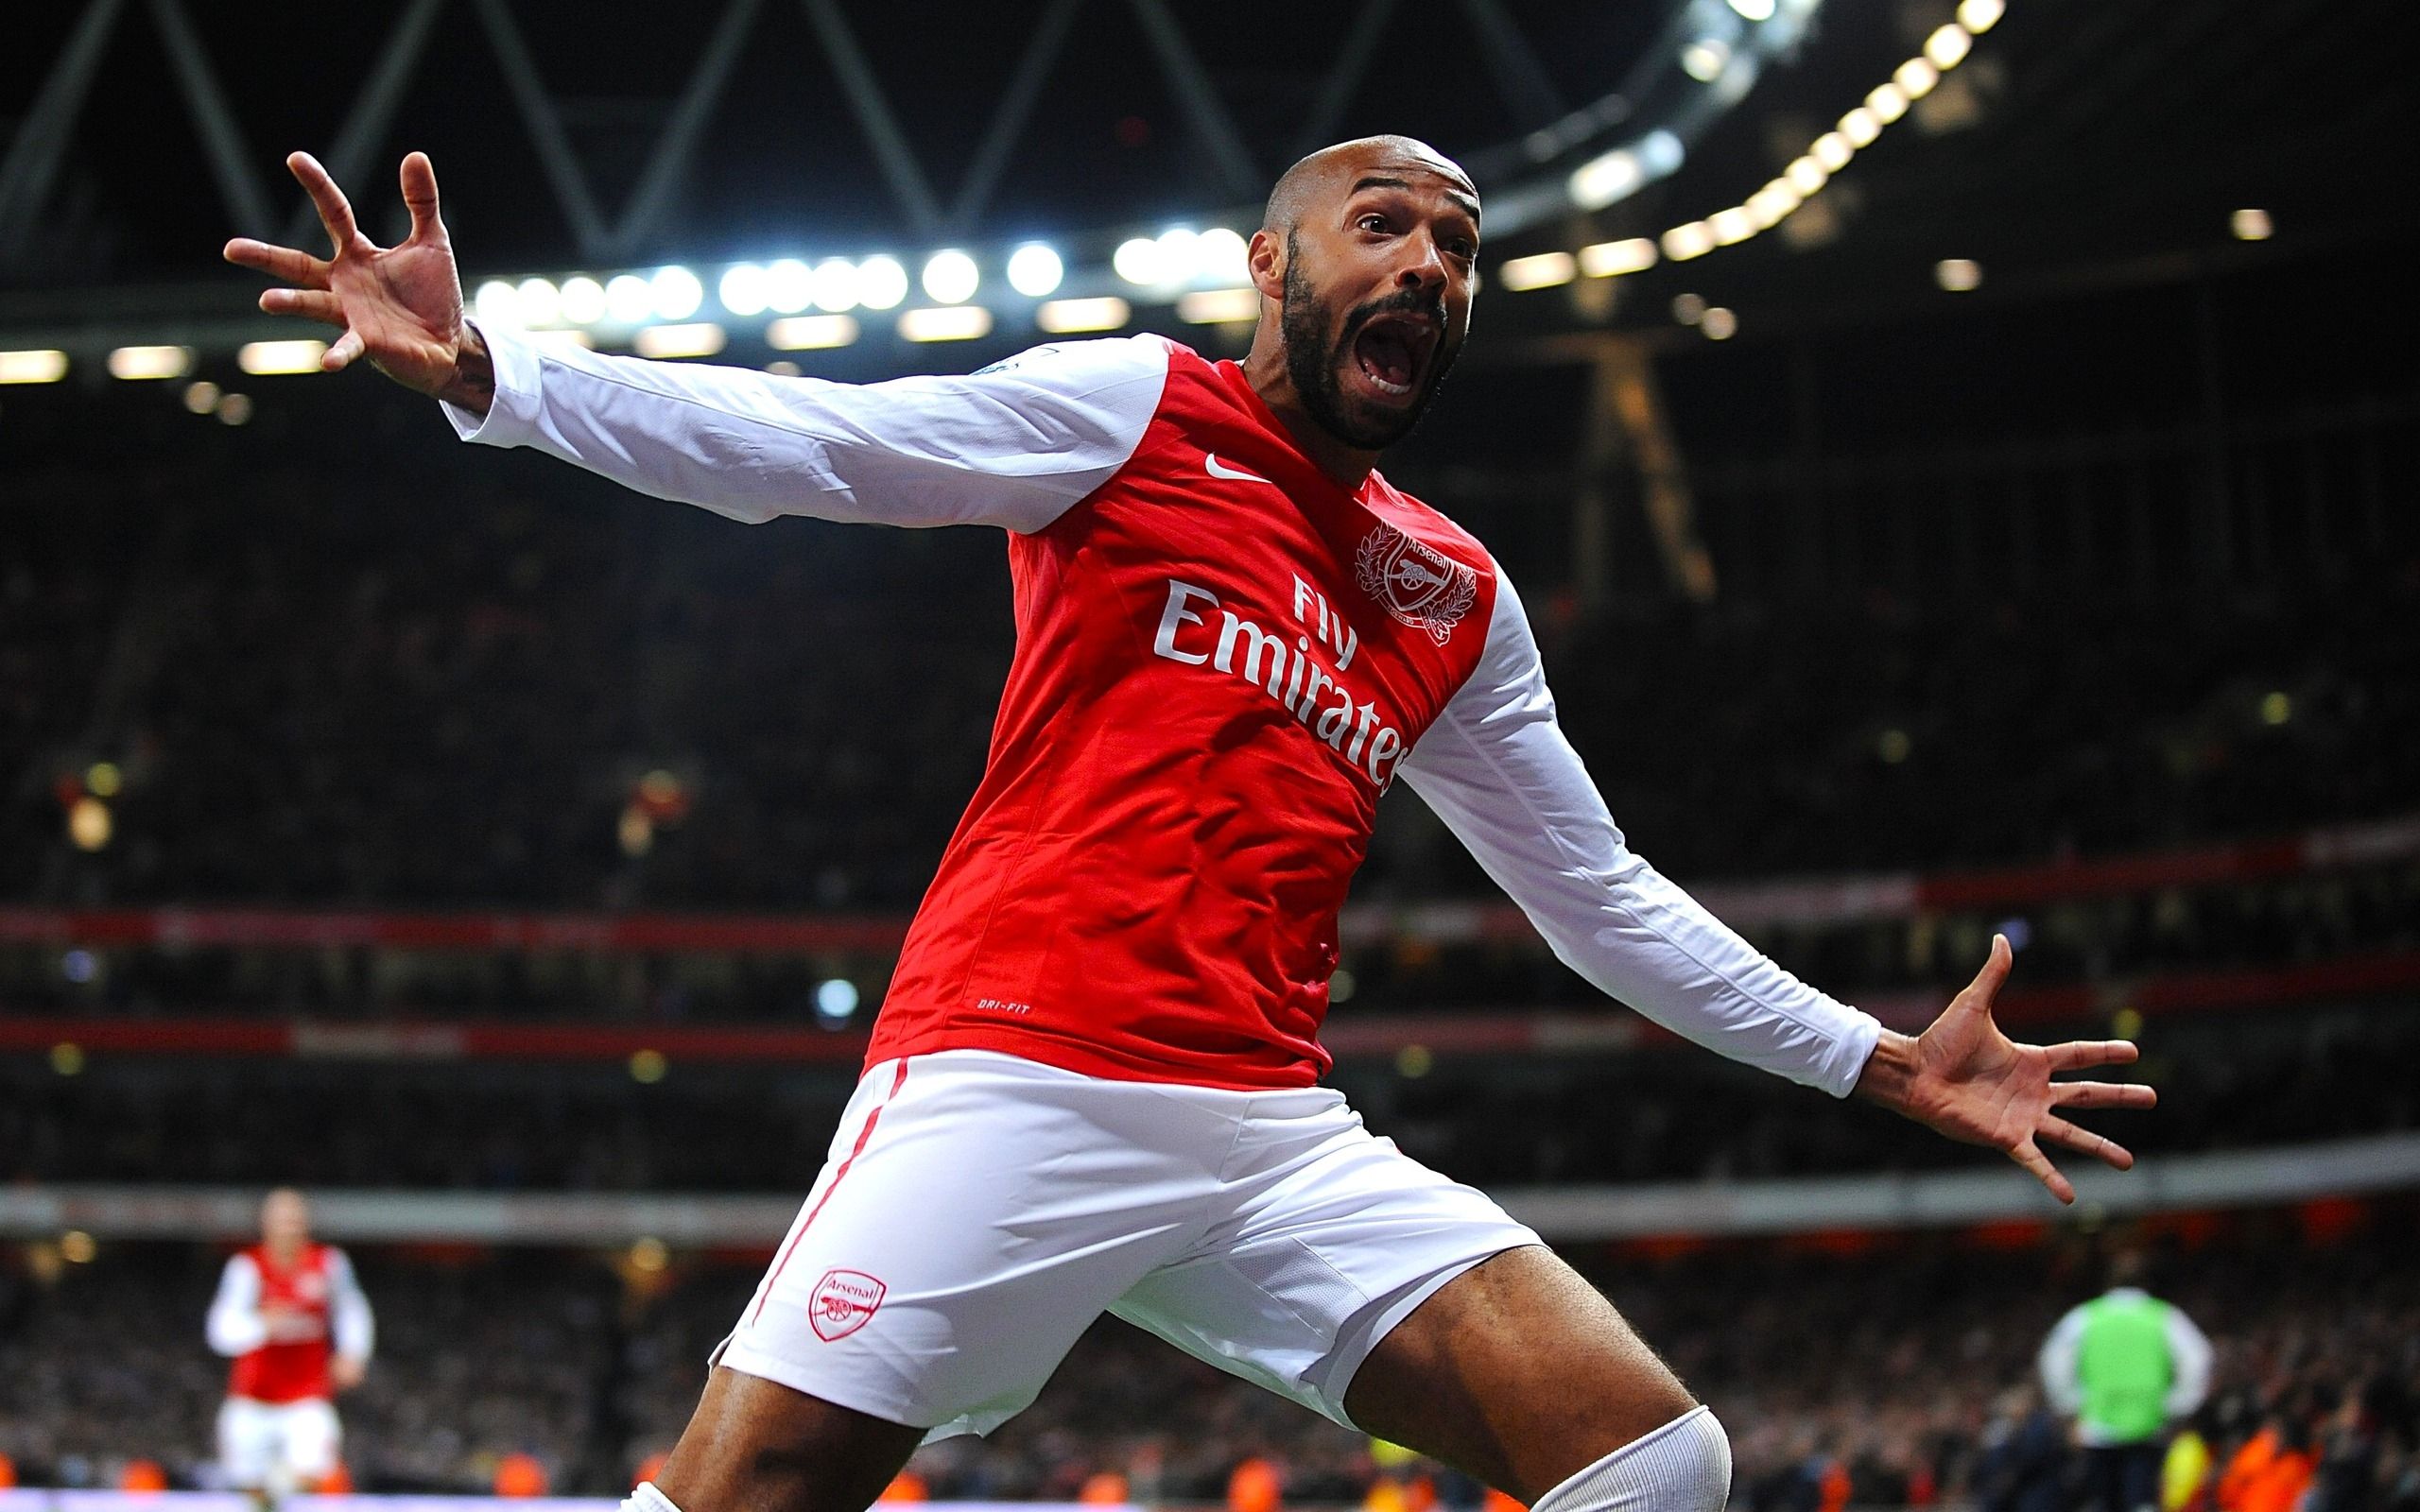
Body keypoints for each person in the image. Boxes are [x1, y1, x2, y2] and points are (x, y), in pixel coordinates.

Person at [225, 136, 2153, 1512]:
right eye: (1377, 225)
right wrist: (499, 374)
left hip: (1261, 1128)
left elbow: (1596, 896)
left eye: (1458, 248)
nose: (1424, 266)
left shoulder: (1449, 592)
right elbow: (817, 446)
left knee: (1655, 1457)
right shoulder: (1133, 415)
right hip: (1014, 1068)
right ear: (1272, 263)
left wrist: (1876, 1057)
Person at [206, 1189, 374, 1503]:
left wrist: (353, 1353)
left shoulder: (328, 1263)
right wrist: (260, 1325)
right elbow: (220, 1331)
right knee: (249, 1487)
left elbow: (352, 1309)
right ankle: (268, 1494)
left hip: (307, 1396)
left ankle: (277, 1489)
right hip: (253, 1397)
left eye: (296, 1219)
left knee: (313, 1468)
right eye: (283, 1219)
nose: (290, 1227)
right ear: (265, 1223)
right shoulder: (247, 1267)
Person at [2040, 1252, 2213, 1512]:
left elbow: (2053, 1358)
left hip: (2098, 1428)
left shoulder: (2087, 1317)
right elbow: (2198, 1358)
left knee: (2101, 1503)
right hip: (2148, 1426)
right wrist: (2178, 1405)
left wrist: (2071, 1405)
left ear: (2108, 1283)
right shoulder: (2163, 1317)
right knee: (2142, 1502)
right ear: (2146, 1283)